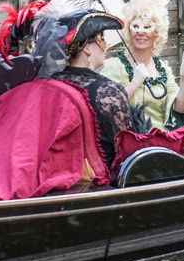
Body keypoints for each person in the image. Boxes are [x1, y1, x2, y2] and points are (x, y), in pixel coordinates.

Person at [51, 10, 141, 169]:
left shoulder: (51, 83)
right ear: (86, 48)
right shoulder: (109, 92)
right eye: (102, 39)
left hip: (59, 172)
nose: (105, 46)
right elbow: (130, 154)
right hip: (102, 181)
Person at [101, 0, 184, 131]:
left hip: (160, 141)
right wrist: (134, 83)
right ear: (129, 31)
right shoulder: (113, 66)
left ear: (157, 32)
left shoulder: (162, 69)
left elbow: (180, 108)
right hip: (129, 142)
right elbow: (106, 108)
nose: (141, 32)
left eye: (147, 26)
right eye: (135, 26)